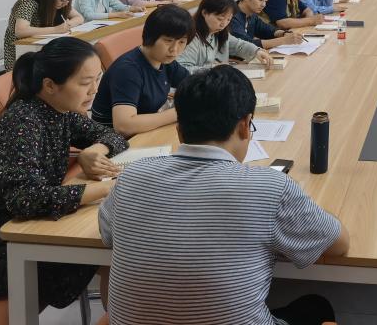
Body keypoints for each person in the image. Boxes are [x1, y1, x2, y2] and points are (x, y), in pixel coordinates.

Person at [99, 66, 349, 325]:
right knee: (316, 306)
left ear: (179, 131)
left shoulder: (131, 176)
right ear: (245, 126)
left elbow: (108, 234)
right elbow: (338, 245)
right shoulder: (270, 187)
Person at [0, 38, 128, 309]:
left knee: (115, 246)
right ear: (50, 85)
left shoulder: (60, 110)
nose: (94, 90)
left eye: (97, 79)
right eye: (85, 83)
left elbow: (114, 136)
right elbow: (25, 199)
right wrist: (109, 188)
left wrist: (93, 150)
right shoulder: (23, 123)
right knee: (117, 251)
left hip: (21, 231)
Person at [91, 5, 193, 137]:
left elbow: (194, 86)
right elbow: (124, 126)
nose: (174, 49)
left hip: (143, 133)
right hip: (111, 140)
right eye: (168, 41)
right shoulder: (128, 70)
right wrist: (178, 113)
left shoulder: (166, 61)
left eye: (182, 42)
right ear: (151, 36)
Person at [177, 0, 274, 72]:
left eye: (228, 19)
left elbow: (238, 45)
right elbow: (183, 70)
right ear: (204, 13)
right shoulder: (191, 38)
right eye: (220, 19)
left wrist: (256, 51)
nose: (223, 24)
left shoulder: (218, 33)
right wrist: (213, 69)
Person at [3, 0, 84, 69]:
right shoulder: (28, 3)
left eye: (69, 0)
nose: (65, 3)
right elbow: (20, 31)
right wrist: (56, 29)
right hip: (21, 53)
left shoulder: (62, 3)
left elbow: (79, 18)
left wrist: (68, 25)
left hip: (42, 47)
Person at [230, 0, 304, 50]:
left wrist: (284, 34)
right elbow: (246, 45)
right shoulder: (231, 16)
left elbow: (267, 30)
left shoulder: (251, 14)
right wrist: (284, 40)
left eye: (265, 1)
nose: (263, 5)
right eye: (260, 0)